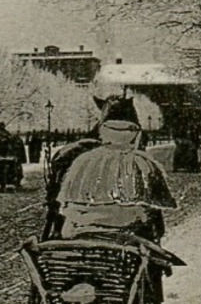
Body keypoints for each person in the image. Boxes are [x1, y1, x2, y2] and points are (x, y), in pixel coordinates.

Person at [56, 97, 176, 242]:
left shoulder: (82, 161)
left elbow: (67, 205)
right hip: (127, 234)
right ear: (136, 134)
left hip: (80, 231)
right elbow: (157, 218)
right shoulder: (144, 164)